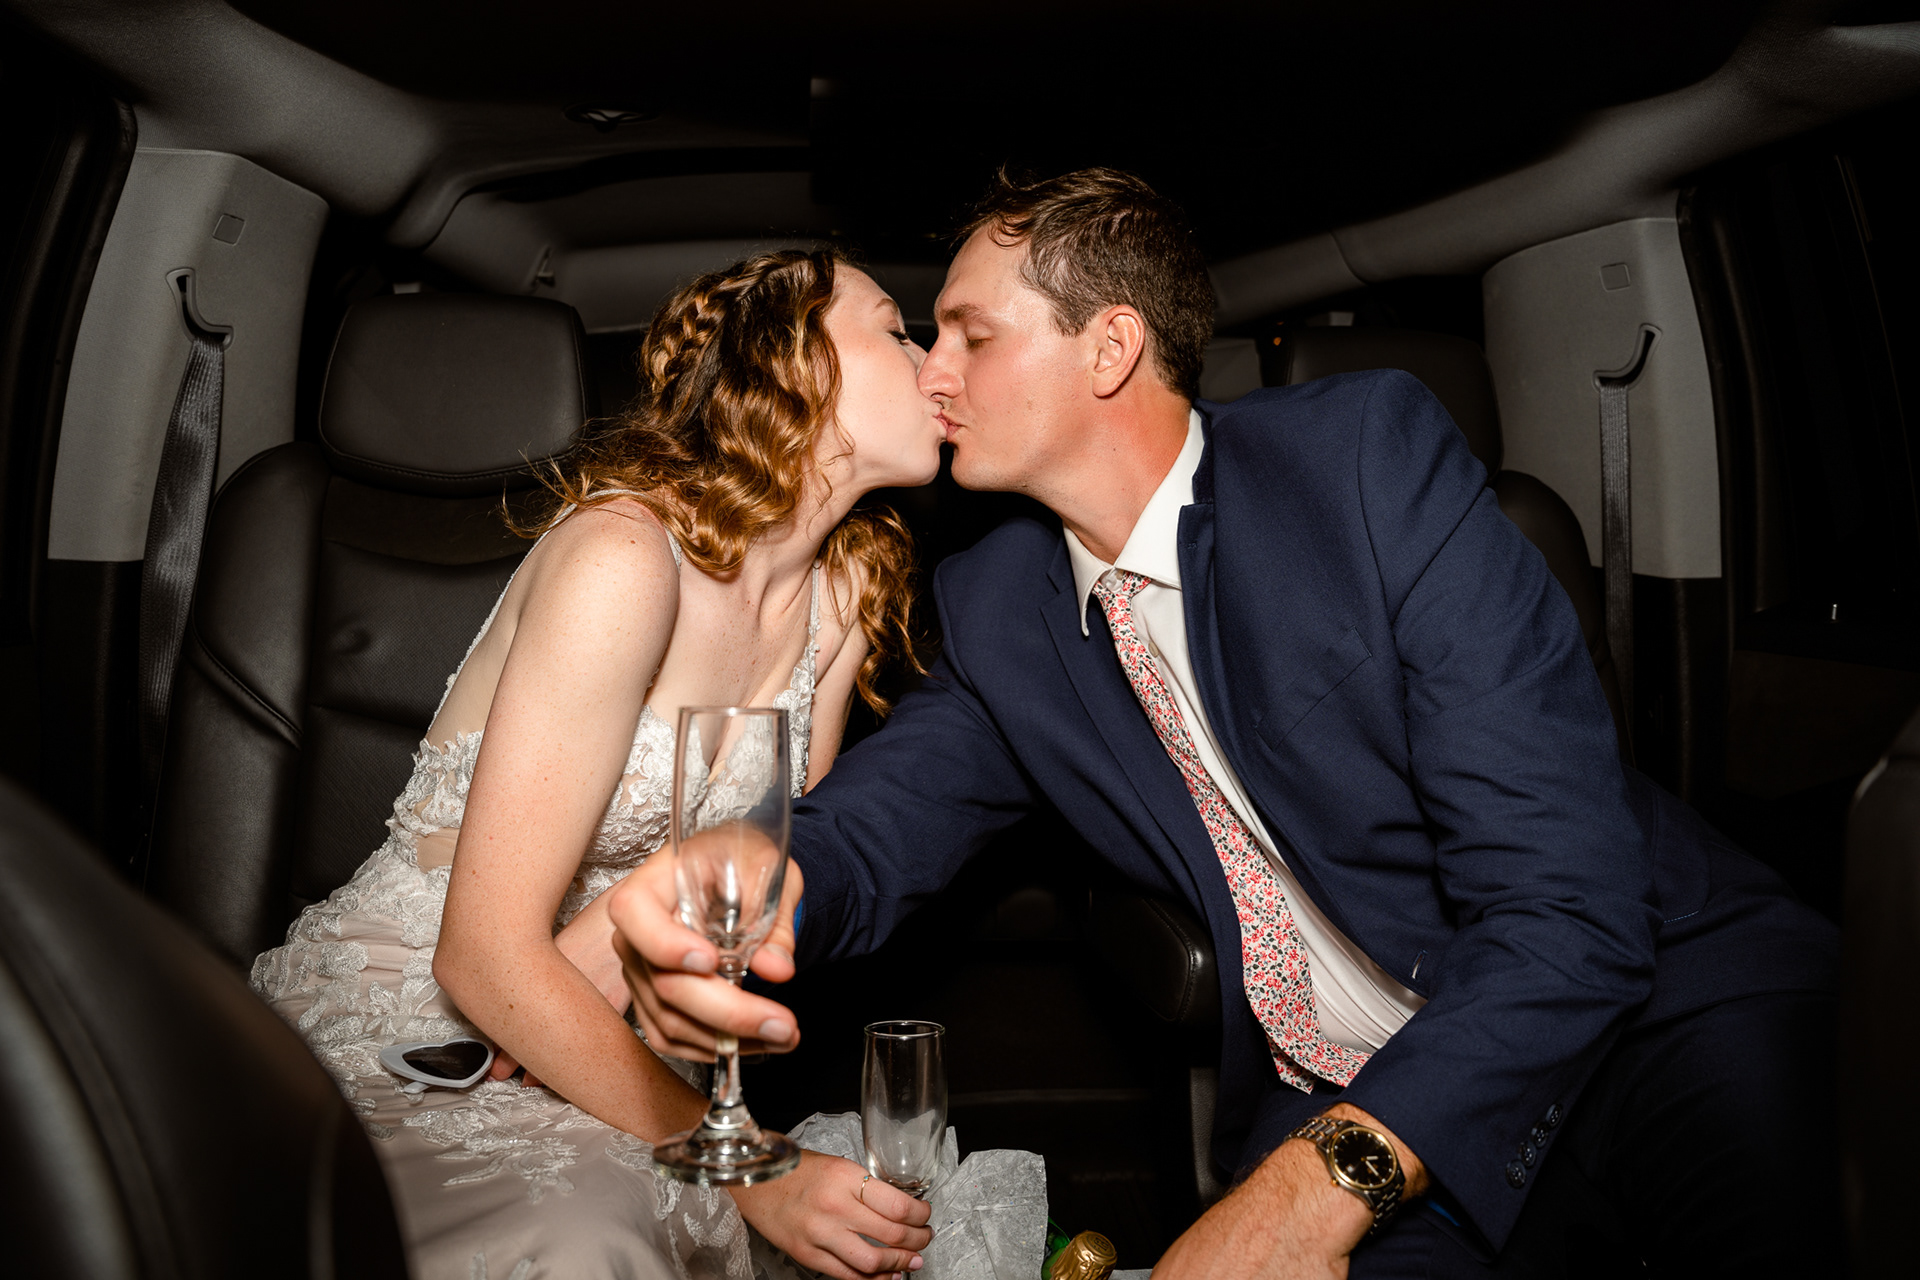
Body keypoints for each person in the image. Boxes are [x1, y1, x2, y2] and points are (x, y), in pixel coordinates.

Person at [608, 170, 1841, 1277]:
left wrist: (1318, 1183)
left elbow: (1567, 909)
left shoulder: (1362, 462)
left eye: (971, 335)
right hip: (1360, 1095)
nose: (933, 372)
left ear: (1110, 348)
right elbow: (885, 824)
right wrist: (769, 873)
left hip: (1649, 1012)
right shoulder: (996, 604)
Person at [250, 249, 941, 1280]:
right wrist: (751, 1166)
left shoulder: (841, 594)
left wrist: (619, 942)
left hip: (617, 1028)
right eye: (896, 328)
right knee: (585, 1243)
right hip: (415, 1021)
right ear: (796, 366)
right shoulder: (625, 557)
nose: (930, 360)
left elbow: (746, 878)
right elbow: (479, 958)